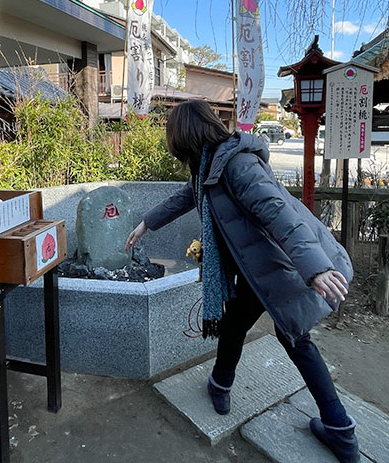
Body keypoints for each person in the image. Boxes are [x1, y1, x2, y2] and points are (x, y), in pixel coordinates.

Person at [125, 101, 359, 463]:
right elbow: (185, 197)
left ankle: (341, 432)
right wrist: (147, 223)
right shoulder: (210, 165)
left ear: (184, 135)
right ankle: (220, 385)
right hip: (256, 271)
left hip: (282, 267)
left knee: (296, 340)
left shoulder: (237, 164)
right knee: (234, 323)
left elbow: (279, 214)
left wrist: (314, 268)